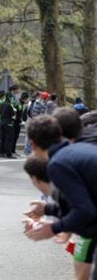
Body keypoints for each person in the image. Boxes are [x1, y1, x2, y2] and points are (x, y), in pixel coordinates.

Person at [25, 115, 97, 279]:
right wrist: (48, 209)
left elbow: (86, 211)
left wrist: (53, 228)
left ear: (32, 144)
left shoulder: (58, 163)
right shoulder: (79, 150)